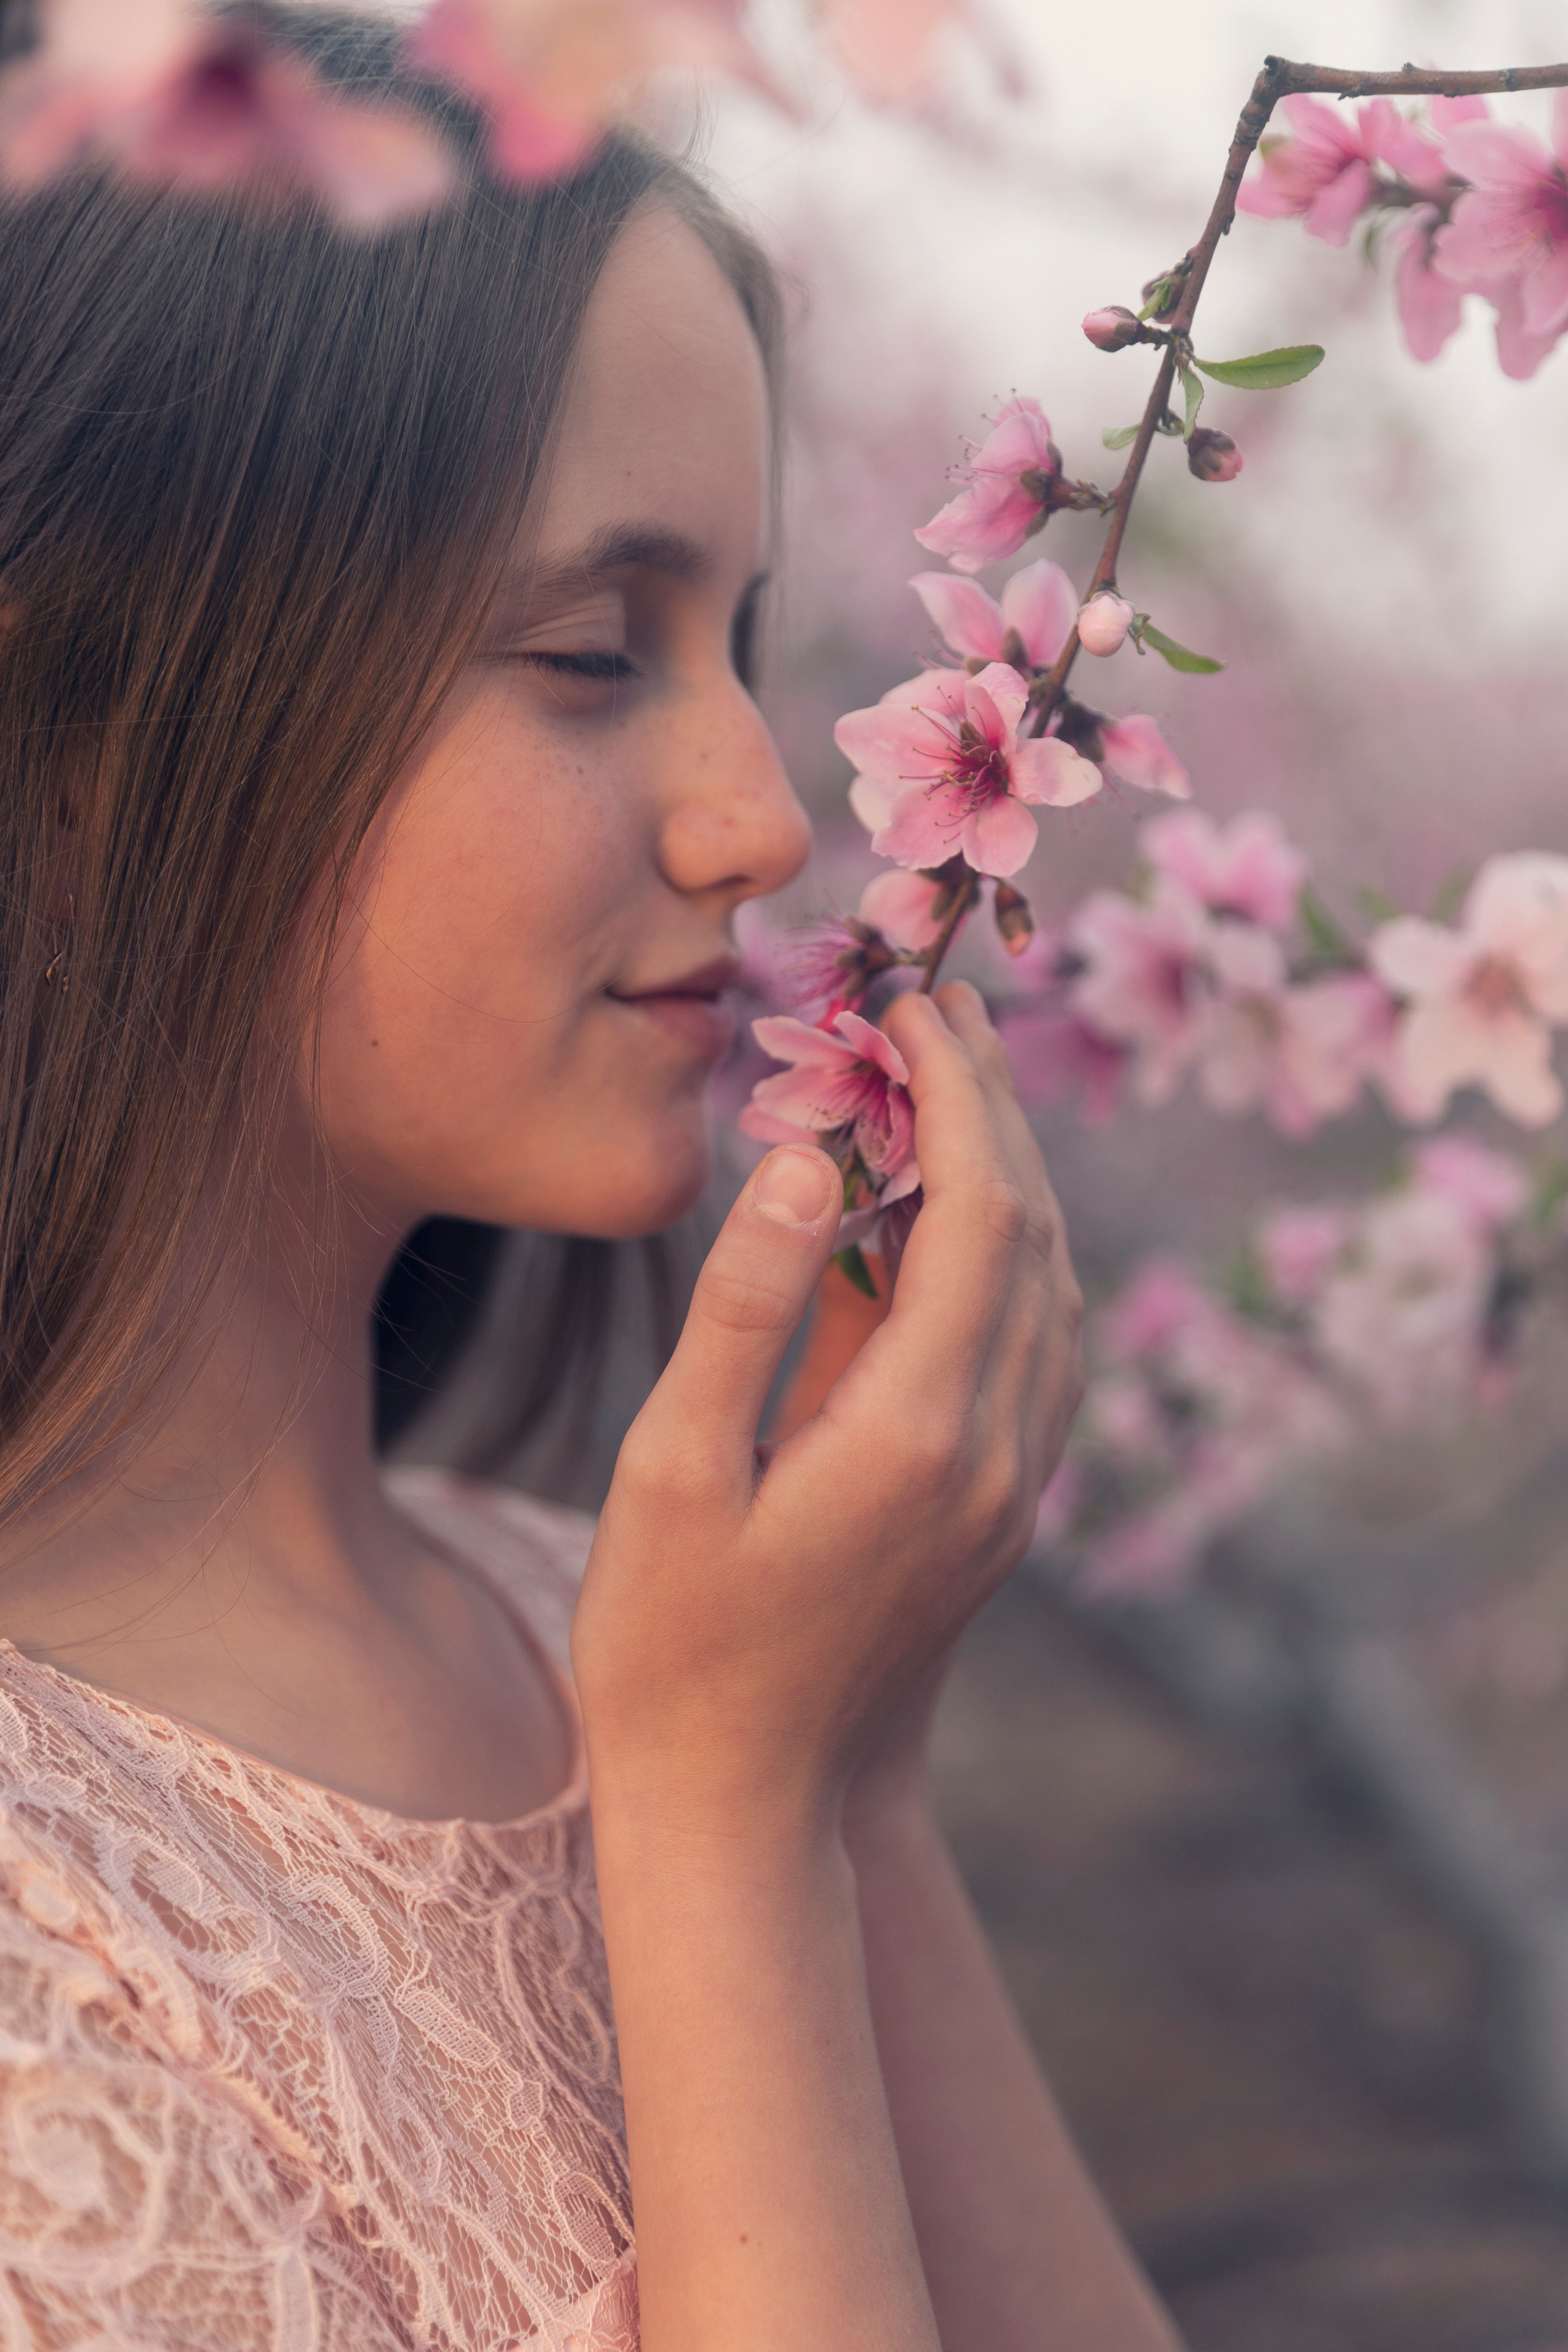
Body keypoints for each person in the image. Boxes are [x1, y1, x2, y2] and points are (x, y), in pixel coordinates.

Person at [0, 13, 1179, 2347]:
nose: (761, 819)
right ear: (91, 738)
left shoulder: (641, 1625)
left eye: (739, 644)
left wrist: (849, 1792)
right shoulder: (65, 1913)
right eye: (582, 650)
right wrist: (729, 1814)